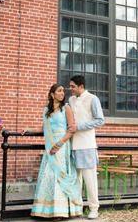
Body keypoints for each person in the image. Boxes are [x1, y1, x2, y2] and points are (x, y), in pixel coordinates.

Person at [19, 84, 82, 219]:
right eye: (59, 91)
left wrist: (59, 144)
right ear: (52, 94)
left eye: (63, 91)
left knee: (59, 177)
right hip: (50, 147)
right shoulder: (46, 110)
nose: (62, 94)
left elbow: (71, 130)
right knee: (48, 176)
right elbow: (44, 129)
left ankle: (62, 211)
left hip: (62, 146)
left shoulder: (66, 108)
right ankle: (46, 210)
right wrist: (28, 130)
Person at [68, 75, 104, 220]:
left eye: (72, 86)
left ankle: (94, 208)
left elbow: (100, 120)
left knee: (89, 179)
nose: (69, 89)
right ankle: (78, 208)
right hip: (71, 145)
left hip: (87, 145)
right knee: (75, 179)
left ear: (81, 86)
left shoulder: (93, 99)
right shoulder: (70, 100)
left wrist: (80, 126)